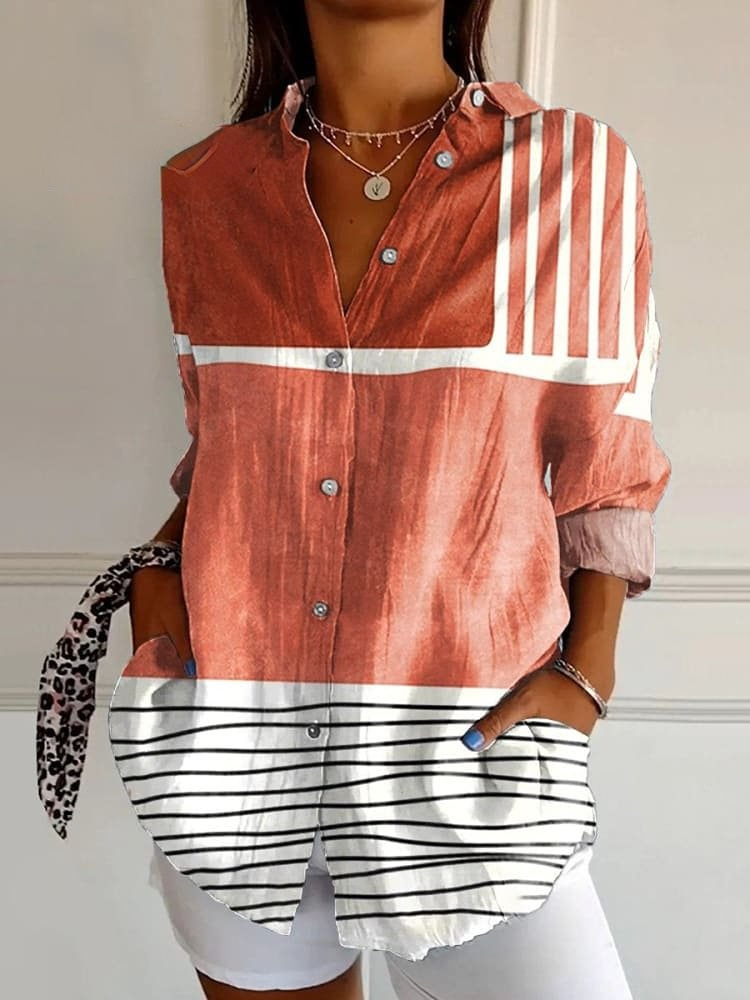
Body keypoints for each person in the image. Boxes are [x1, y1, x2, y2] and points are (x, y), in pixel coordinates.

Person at [121, 1, 672, 997]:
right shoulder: (205, 188)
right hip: (234, 749)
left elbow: (609, 459)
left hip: (471, 760)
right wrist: (157, 577)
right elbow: (229, 445)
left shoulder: (572, 173)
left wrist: (588, 673)